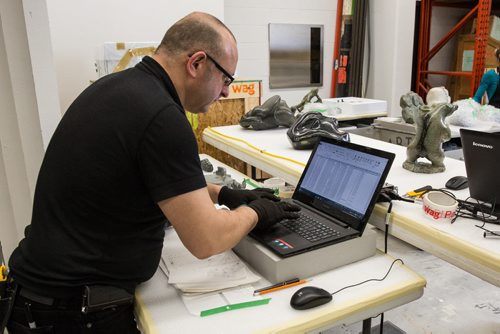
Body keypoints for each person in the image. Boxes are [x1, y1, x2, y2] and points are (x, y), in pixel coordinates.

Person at [5, 12, 300, 333]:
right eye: (226, 78)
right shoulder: (161, 117)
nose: (227, 92)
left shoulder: (123, 88)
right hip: (70, 312)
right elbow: (206, 240)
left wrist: (223, 193)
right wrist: (256, 212)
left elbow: (151, 181)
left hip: (41, 299)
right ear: (197, 63)